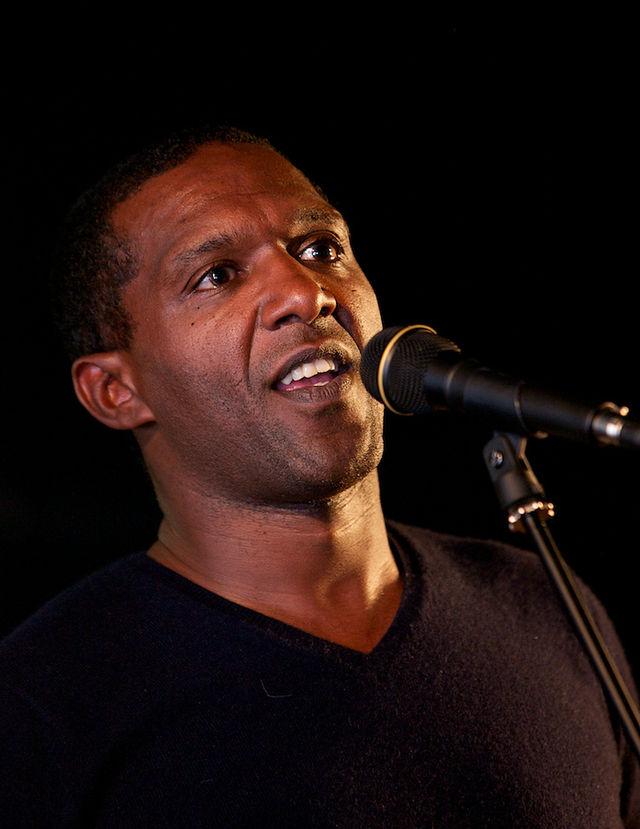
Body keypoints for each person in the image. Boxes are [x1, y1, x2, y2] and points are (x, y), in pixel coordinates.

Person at [0, 125, 638, 828]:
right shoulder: (42, 701)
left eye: (321, 250)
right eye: (217, 274)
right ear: (116, 391)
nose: (305, 293)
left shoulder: (545, 605)